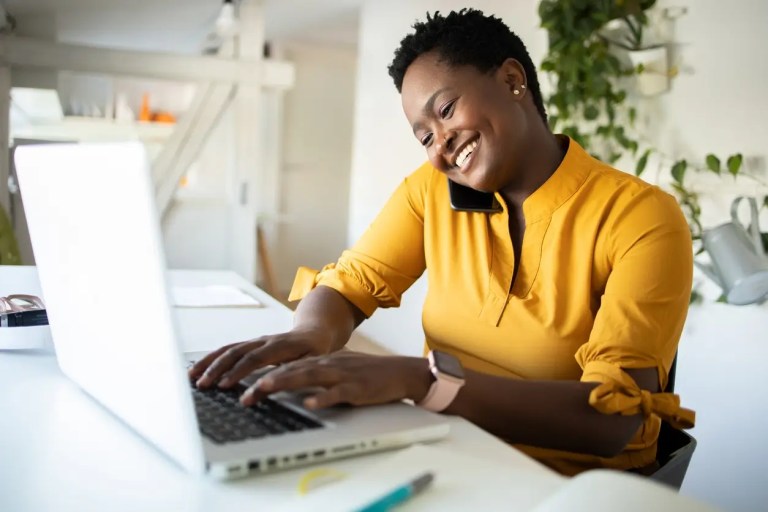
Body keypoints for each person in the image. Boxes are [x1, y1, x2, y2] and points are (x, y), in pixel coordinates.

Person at [190, 8, 695, 475]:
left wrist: (424, 380)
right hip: (445, 451)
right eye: (425, 136)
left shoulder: (641, 217)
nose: (439, 148)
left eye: (446, 110)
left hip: (562, 485)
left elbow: (612, 420)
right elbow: (350, 284)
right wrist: (310, 336)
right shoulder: (433, 192)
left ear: (513, 80)